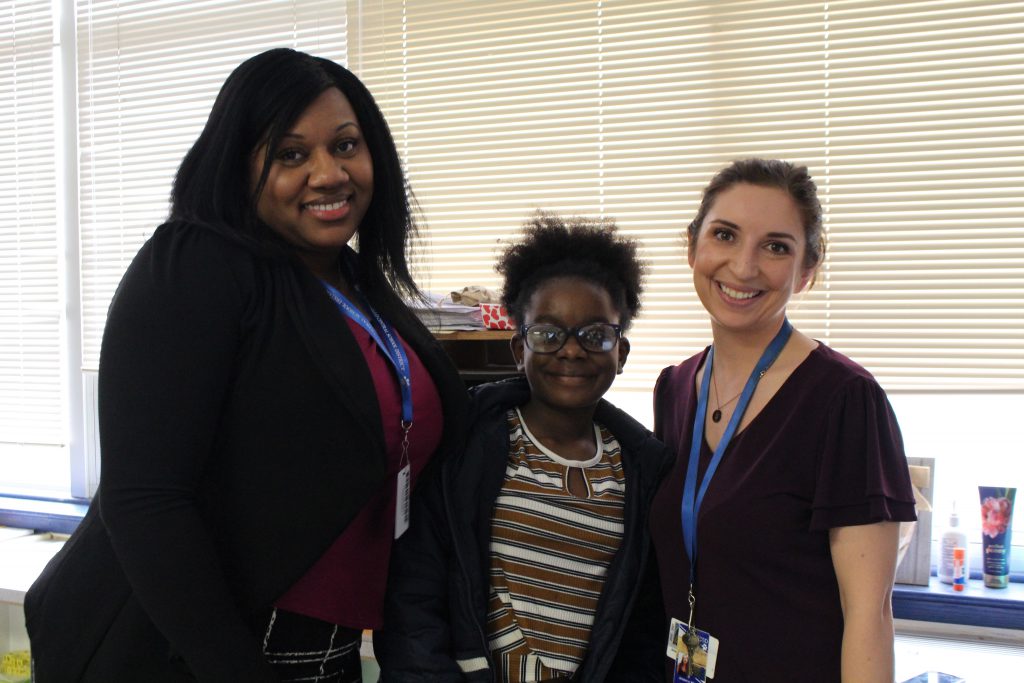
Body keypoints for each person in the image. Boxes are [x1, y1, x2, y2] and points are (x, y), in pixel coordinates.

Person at [24, 48, 467, 682]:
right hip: (191, 650)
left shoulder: (358, 286)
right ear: (238, 166)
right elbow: (145, 497)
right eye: (291, 155)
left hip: (330, 648)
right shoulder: (195, 265)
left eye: (346, 145)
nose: (328, 173)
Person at [649, 159, 916, 683]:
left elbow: (870, 615)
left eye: (776, 247)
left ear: (808, 270)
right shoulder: (675, 388)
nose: (744, 267)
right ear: (692, 247)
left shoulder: (845, 402)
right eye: (724, 235)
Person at [374, 213, 670, 682]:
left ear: (622, 352)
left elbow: (641, 627)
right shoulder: (466, 443)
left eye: (596, 336)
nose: (571, 351)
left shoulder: (642, 470)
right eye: (548, 334)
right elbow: (415, 599)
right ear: (519, 349)